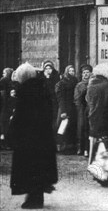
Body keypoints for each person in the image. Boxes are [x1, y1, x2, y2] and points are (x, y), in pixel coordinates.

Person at [10, 63, 58, 209]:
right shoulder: (42, 88)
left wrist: (12, 132)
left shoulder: (25, 92)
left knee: (29, 167)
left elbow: (20, 117)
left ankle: (34, 199)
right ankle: (36, 197)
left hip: (28, 138)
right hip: (43, 137)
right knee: (39, 167)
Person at [55, 65, 78, 153]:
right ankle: (61, 146)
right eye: (70, 71)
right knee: (62, 127)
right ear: (66, 71)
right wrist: (63, 110)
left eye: (73, 71)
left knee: (71, 127)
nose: (72, 72)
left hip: (72, 107)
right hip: (64, 106)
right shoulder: (62, 83)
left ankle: (70, 146)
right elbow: (61, 98)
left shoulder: (75, 81)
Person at [73, 64, 92, 157]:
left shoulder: (92, 83)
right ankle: (80, 147)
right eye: (84, 73)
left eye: (87, 72)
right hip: (81, 108)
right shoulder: (79, 85)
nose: (85, 74)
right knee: (81, 127)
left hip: (90, 108)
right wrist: (80, 107)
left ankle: (88, 148)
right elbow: (76, 98)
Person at [41, 61, 59, 133]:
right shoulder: (41, 77)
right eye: (46, 68)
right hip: (44, 101)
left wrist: (49, 79)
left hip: (53, 101)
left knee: (53, 118)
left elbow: (54, 88)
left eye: (50, 68)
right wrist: (46, 78)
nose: (48, 70)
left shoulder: (56, 76)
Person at [0, 67, 15, 149]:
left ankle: (3, 142)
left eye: (4, 73)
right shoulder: (10, 82)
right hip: (6, 106)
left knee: (3, 124)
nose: (3, 74)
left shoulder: (4, 80)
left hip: (4, 106)